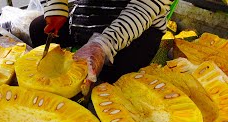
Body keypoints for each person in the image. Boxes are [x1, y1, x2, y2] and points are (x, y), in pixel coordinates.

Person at [30, 0, 175, 94]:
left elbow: (142, 10)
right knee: (38, 29)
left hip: (137, 25)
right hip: (88, 16)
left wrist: (103, 45)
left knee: (116, 80)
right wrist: (56, 8)